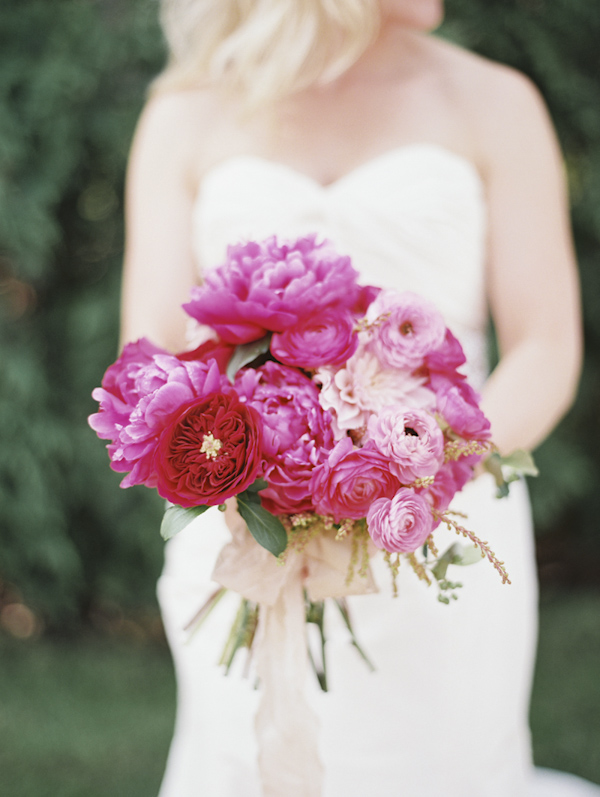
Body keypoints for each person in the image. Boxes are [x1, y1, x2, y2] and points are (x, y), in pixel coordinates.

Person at [120, 1, 595, 795]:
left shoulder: (496, 101)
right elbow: (156, 352)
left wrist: (424, 470)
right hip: (250, 536)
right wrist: (263, 485)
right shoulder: (184, 113)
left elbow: (547, 345)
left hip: (443, 526)